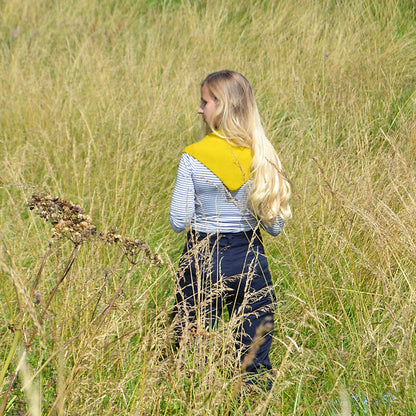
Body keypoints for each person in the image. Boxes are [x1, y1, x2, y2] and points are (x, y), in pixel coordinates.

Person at [169, 70, 291, 386]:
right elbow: (275, 227)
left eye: (205, 102)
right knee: (254, 358)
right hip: (249, 258)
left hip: (201, 256)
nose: (200, 109)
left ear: (221, 106)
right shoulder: (262, 155)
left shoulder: (193, 157)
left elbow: (178, 221)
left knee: (191, 352)